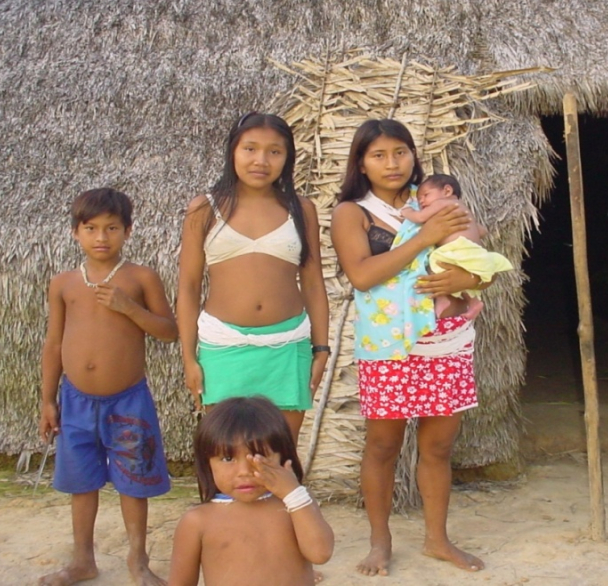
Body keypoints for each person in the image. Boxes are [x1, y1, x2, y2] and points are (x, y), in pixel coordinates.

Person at [330, 118, 492, 576]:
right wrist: (423, 237)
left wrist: (468, 279)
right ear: (361, 162)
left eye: (400, 152)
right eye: (378, 155)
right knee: (383, 446)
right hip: (388, 347)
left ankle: (437, 540)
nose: (392, 163)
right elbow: (362, 275)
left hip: (444, 340)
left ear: (413, 154)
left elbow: (476, 257)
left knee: (439, 448)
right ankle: (380, 542)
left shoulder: (436, 199)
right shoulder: (353, 212)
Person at [38, 187, 178, 586]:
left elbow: (170, 331)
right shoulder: (63, 284)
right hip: (75, 399)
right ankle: (83, 560)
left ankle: (138, 560)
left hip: (128, 400)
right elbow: (53, 343)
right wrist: (48, 399)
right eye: (91, 228)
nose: (102, 237)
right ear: (75, 233)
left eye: (112, 228)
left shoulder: (140, 277)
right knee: (81, 483)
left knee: (134, 482)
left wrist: (129, 308)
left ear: (128, 231)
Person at [177, 112, 330, 442]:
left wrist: (321, 349)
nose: (261, 160)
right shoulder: (205, 208)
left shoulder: (301, 209)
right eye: (250, 149)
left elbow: (314, 284)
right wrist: (189, 358)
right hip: (222, 346)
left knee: (281, 458)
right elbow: (188, 288)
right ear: (233, 151)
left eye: (274, 151)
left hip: (288, 346)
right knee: (227, 456)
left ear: (287, 158)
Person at [168, 396, 335, 586]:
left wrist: (294, 494)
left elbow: (320, 553)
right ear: (207, 463)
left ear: (283, 457)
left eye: (258, 456)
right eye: (228, 459)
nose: (245, 472)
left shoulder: (296, 504)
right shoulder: (198, 521)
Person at [399, 173, 513, 320]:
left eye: (425, 195)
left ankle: (442, 297)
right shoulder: (463, 208)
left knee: (431, 266)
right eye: (419, 199)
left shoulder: (443, 203)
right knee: (458, 273)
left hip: (457, 251)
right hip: (475, 252)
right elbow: (482, 231)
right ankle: (472, 301)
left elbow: (420, 218)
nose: (421, 201)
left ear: (447, 191)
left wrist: (408, 211)